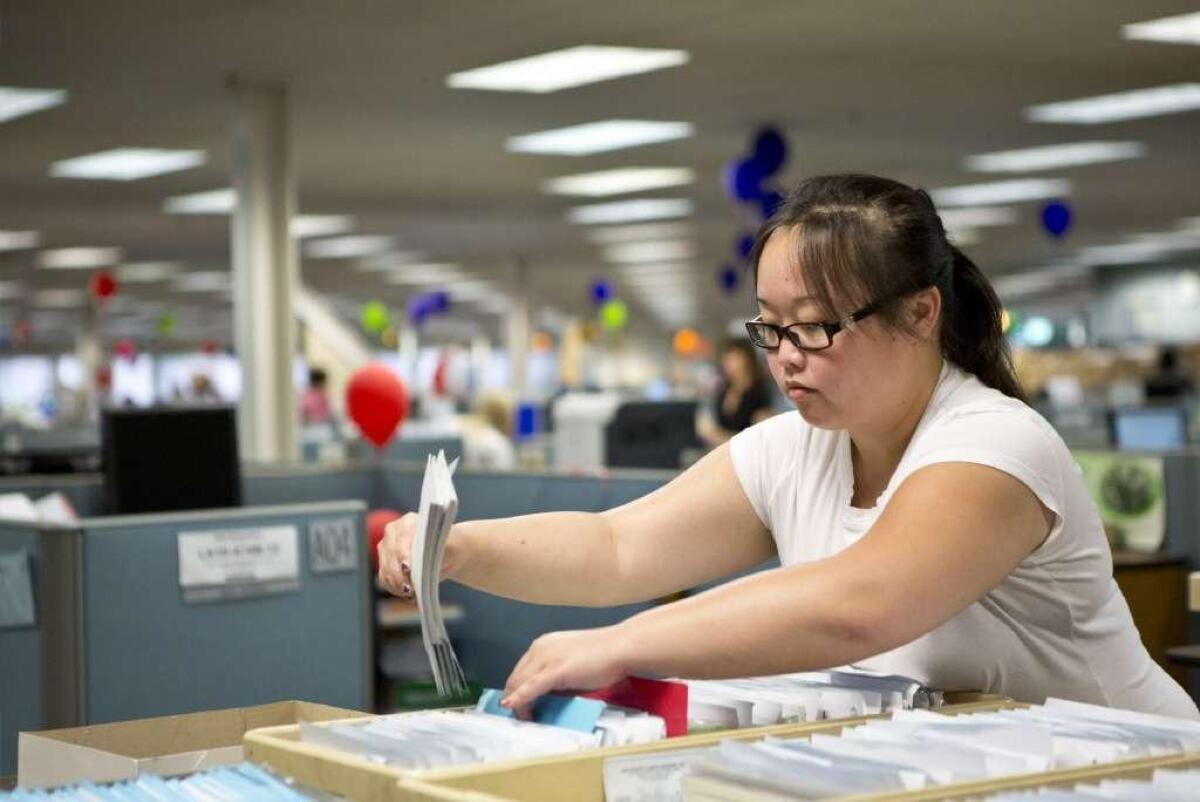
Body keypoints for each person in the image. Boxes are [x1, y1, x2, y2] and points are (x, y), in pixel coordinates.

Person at [378, 174, 1198, 720]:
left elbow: (856, 607)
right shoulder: (799, 445)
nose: (785, 357)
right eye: (770, 328)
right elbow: (619, 545)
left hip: (1136, 773)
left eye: (813, 326)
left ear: (921, 313)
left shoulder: (997, 447)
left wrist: (621, 644)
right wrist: (460, 548)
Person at [698, 338, 774, 447]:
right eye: (726, 357)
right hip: (721, 453)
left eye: (734, 357)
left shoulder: (759, 393)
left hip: (747, 453)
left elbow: (760, 436)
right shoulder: (723, 391)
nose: (728, 362)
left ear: (747, 360)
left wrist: (719, 437)